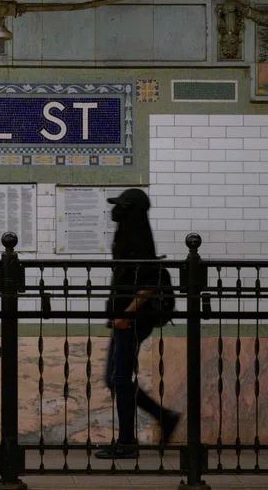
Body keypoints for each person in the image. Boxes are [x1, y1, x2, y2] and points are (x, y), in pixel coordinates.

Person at [95, 188, 180, 459]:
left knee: (119, 378)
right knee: (115, 378)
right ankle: (162, 417)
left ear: (131, 210)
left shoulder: (138, 239)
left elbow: (148, 287)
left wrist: (125, 315)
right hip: (125, 320)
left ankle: (128, 442)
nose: (115, 211)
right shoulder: (129, 235)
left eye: (121, 206)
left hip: (131, 321)